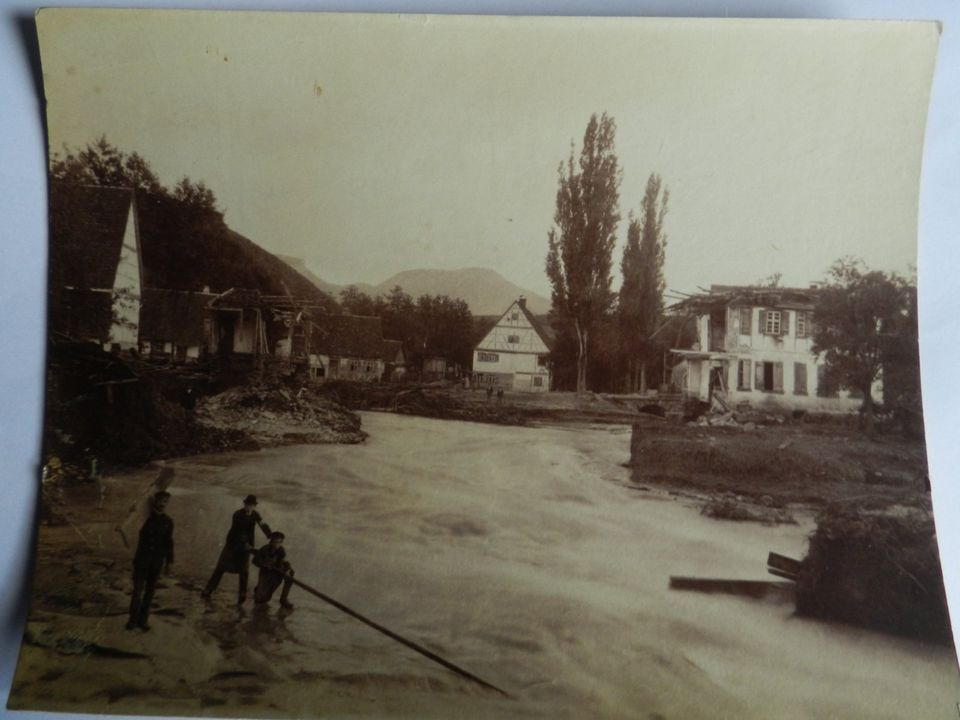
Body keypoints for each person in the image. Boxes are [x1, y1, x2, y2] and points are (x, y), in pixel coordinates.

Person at [202, 494, 271, 604]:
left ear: (254, 506)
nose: (249, 507)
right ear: (244, 504)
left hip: (246, 546)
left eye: (252, 505)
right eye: (248, 505)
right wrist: (246, 544)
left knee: (244, 570)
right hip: (232, 544)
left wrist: (270, 535)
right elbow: (239, 531)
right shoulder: (237, 514)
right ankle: (208, 589)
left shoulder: (255, 514)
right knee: (221, 567)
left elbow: (262, 524)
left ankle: (242, 594)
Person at [127, 491, 174, 631]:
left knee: (150, 592)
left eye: (166, 501)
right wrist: (129, 516)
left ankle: (143, 620)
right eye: (161, 500)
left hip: (156, 563)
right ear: (155, 501)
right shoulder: (144, 518)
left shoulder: (168, 521)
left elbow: (169, 543)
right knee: (137, 592)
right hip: (142, 561)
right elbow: (131, 523)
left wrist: (169, 562)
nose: (163, 504)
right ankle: (132, 620)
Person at [252, 531, 295, 609]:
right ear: (271, 541)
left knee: (291, 574)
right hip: (265, 573)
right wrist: (264, 565)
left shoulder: (281, 550)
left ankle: (283, 599)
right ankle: (258, 589)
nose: (276, 544)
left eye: (279, 542)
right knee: (261, 600)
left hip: (276, 573)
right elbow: (254, 561)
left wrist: (287, 571)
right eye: (274, 542)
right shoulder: (265, 549)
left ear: (281, 542)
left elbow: (284, 561)